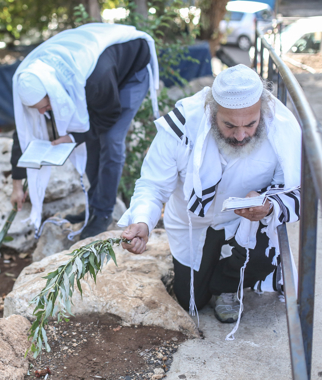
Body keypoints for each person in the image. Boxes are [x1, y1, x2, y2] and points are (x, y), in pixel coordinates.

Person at [118, 64, 301, 331]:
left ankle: (229, 286)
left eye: (251, 124)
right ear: (211, 111)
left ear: (262, 111)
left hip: (245, 223)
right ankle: (205, 275)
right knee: (191, 300)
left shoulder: (280, 128)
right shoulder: (182, 127)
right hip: (194, 222)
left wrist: (268, 204)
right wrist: (143, 222)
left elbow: (293, 188)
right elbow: (153, 185)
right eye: (229, 125)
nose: (241, 135)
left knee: (262, 257)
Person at [10, 23, 160, 240]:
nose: (42, 113)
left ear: (55, 93)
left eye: (45, 106)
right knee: (90, 139)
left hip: (131, 70)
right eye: (37, 110)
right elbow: (21, 133)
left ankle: (102, 213)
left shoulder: (95, 81)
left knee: (109, 139)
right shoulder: (34, 77)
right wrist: (17, 184)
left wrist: (72, 137)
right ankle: (93, 207)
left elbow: (109, 115)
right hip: (97, 71)